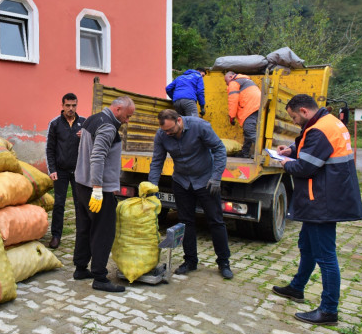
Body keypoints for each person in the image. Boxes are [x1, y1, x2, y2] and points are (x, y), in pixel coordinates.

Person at [271, 94, 362, 326]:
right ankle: (297, 288)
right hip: (323, 196)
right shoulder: (327, 122)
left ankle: (329, 310)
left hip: (322, 200)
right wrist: (291, 150)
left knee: (326, 256)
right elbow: (316, 149)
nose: (294, 122)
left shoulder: (319, 129)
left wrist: (284, 163)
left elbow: (305, 167)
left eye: (293, 117)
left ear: (303, 111)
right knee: (308, 246)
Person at [148, 109, 233, 279]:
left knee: (216, 221)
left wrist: (216, 177)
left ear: (179, 120)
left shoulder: (200, 126)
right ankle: (190, 261)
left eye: (171, 130)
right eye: (165, 131)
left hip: (205, 181)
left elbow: (219, 149)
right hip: (181, 182)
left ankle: (224, 262)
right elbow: (157, 161)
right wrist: (151, 187)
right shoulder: (162, 134)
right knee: (185, 222)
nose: (168, 134)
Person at [73, 96, 135, 292]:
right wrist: (98, 188)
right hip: (97, 189)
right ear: (117, 109)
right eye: (127, 116)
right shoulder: (108, 126)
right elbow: (98, 155)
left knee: (84, 226)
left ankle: (81, 268)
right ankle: (100, 277)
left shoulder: (92, 119)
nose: (127, 120)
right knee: (103, 231)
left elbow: (85, 141)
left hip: (81, 184)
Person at [45, 93, 86, 249]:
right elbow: (50, 148)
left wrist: (87, 136)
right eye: (68, 105)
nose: (71, 108)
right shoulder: (55, 124)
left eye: (73, 105)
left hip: (78, 171)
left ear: (77, 105)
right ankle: (56, 236)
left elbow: (93, 143)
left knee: (80, 204)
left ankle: (82, 236)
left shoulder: (84, 122)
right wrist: (52, 169)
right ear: (62, 105)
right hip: (60, 170)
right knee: (59, 204)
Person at [224, 71, 261, 158]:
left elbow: (233, 100)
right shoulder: (246, 80)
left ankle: (263, 152)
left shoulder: (234, 82)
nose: (227, 84)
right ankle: (244, 152)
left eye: (226, 82)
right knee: (248, 131)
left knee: (249, 130)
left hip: (250, 106)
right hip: (257, 105)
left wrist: (231, 116)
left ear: (230, 76)